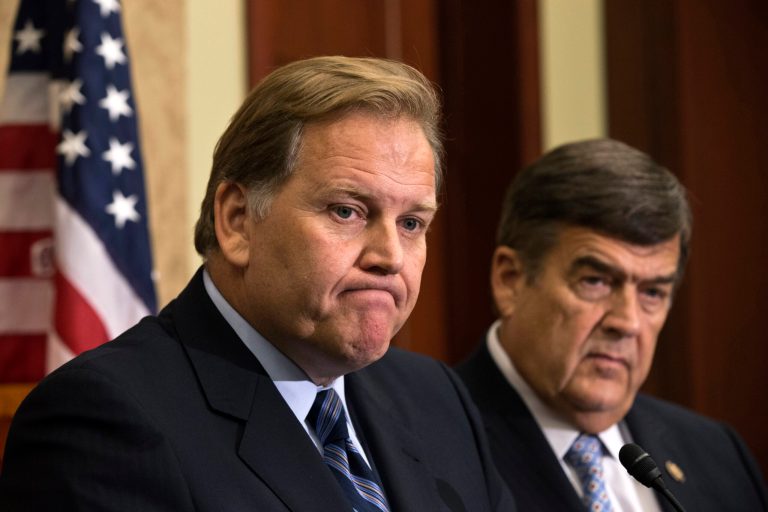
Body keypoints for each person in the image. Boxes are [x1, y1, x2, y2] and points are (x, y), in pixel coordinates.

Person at [0, 56, 514, 512]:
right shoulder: (106, 422)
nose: (390, 257)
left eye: (411, 223)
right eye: (347, 211)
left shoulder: (438, 398)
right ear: (238, 220)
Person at [456, 139, 768, 511]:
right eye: (595, 281)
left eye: (652, 292)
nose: (628, 322)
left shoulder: (716, 454)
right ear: (511, 281)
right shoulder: (433, 441)